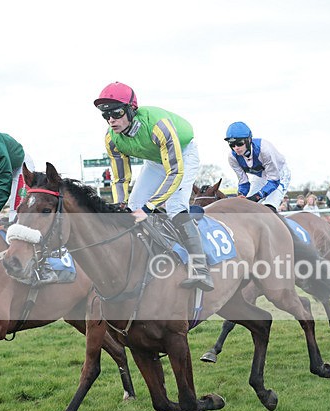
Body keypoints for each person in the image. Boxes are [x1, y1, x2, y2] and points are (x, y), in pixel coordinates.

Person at [94, 81, 212, 291]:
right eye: (106, 115)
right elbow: (120, 179)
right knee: (132, 205)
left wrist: (149, 208)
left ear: (132, 109)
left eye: (117, 113)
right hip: (155, 161)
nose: (111, 120)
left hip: (183, 154)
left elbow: (175, 171)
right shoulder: (111, 139)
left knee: (175, 205)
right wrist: (120, 205)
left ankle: (200, 269)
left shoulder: (159, 126)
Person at [224, 121, 290, 212]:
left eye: (239, 143)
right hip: (260, 177)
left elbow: (274, 181)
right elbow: (243, 182)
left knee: (269, 208)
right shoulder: (232, 158)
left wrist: (257, 196)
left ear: (249, 140)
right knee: (247, 207)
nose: (236, 148)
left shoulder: (264, 150)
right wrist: (241, 194)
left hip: (279, 175)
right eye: (232, 145)